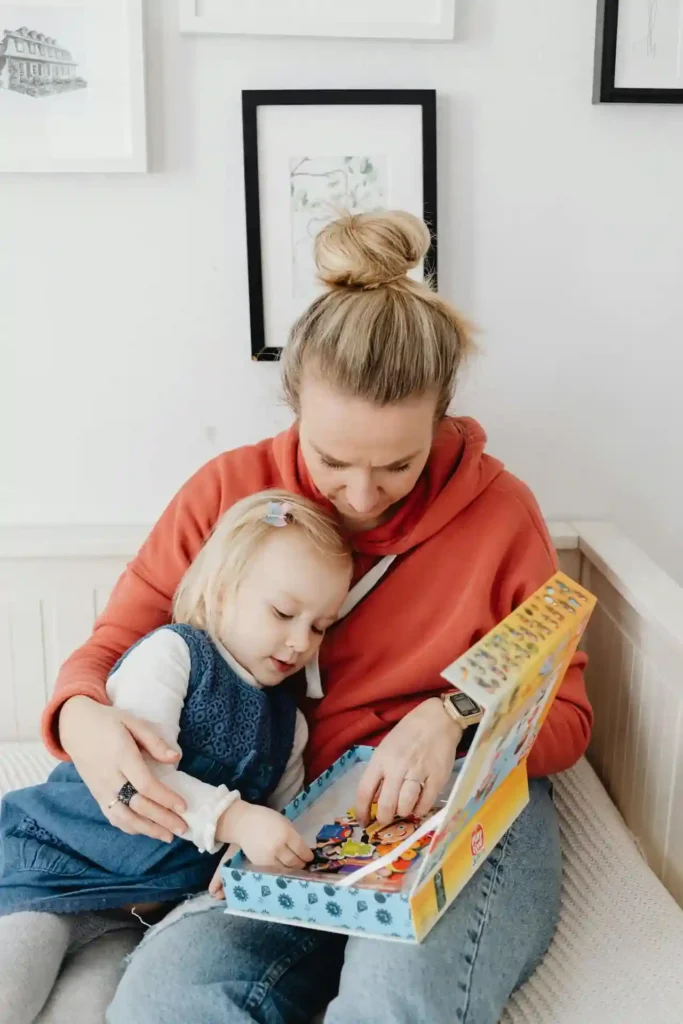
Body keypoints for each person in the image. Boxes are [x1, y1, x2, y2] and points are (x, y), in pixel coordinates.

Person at [41, 210, 591, 1024]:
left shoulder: (500, 515)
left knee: (390, 997)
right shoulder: (228, 494)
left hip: (463, 810)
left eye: (397, 465)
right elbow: (116, 645)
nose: (361, 498)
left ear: (441, 418)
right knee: (162, 1002)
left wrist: (453, 717)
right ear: (295, 405)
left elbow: (567, 716)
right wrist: (81, 714)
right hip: (293, 825)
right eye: (331, 461)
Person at [0, 491, 352, 1024]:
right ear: (222, 593)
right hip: (52, 869)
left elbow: (279, 823)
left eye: (320, 625)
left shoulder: (290, 726)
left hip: (134, 914)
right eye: (283, 612)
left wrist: (251, 858)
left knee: (88, 1013)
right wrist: (236, 819)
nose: (301, 640)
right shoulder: (175, 655)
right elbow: (143, 775)